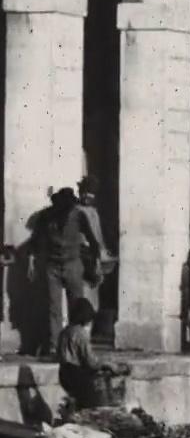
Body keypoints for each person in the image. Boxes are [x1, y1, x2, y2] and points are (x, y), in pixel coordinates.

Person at [28, 188, 101, 359]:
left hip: (73, 264)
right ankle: (55, 348)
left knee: (77, 307)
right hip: (52, 265)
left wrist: (96, 263)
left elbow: (92, 240)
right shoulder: (47, 216)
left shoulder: (78, 216)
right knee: (54, 308)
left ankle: (76, 346)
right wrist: (31, 262)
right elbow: (35, 240)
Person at [56, 297, 115, 409]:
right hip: (78, 375)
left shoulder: (64, 332)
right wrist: (106, 364)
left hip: (63, 374)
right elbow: (90, 362)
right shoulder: (81, 333)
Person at [76, 175, 114, 311]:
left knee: (93, 291)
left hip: (94, 255)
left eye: (90, 195)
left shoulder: (93, 212)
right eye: (85, 194)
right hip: (83, 255)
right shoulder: (77, 212)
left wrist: (102, 250)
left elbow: (98, 234)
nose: (87, 197)